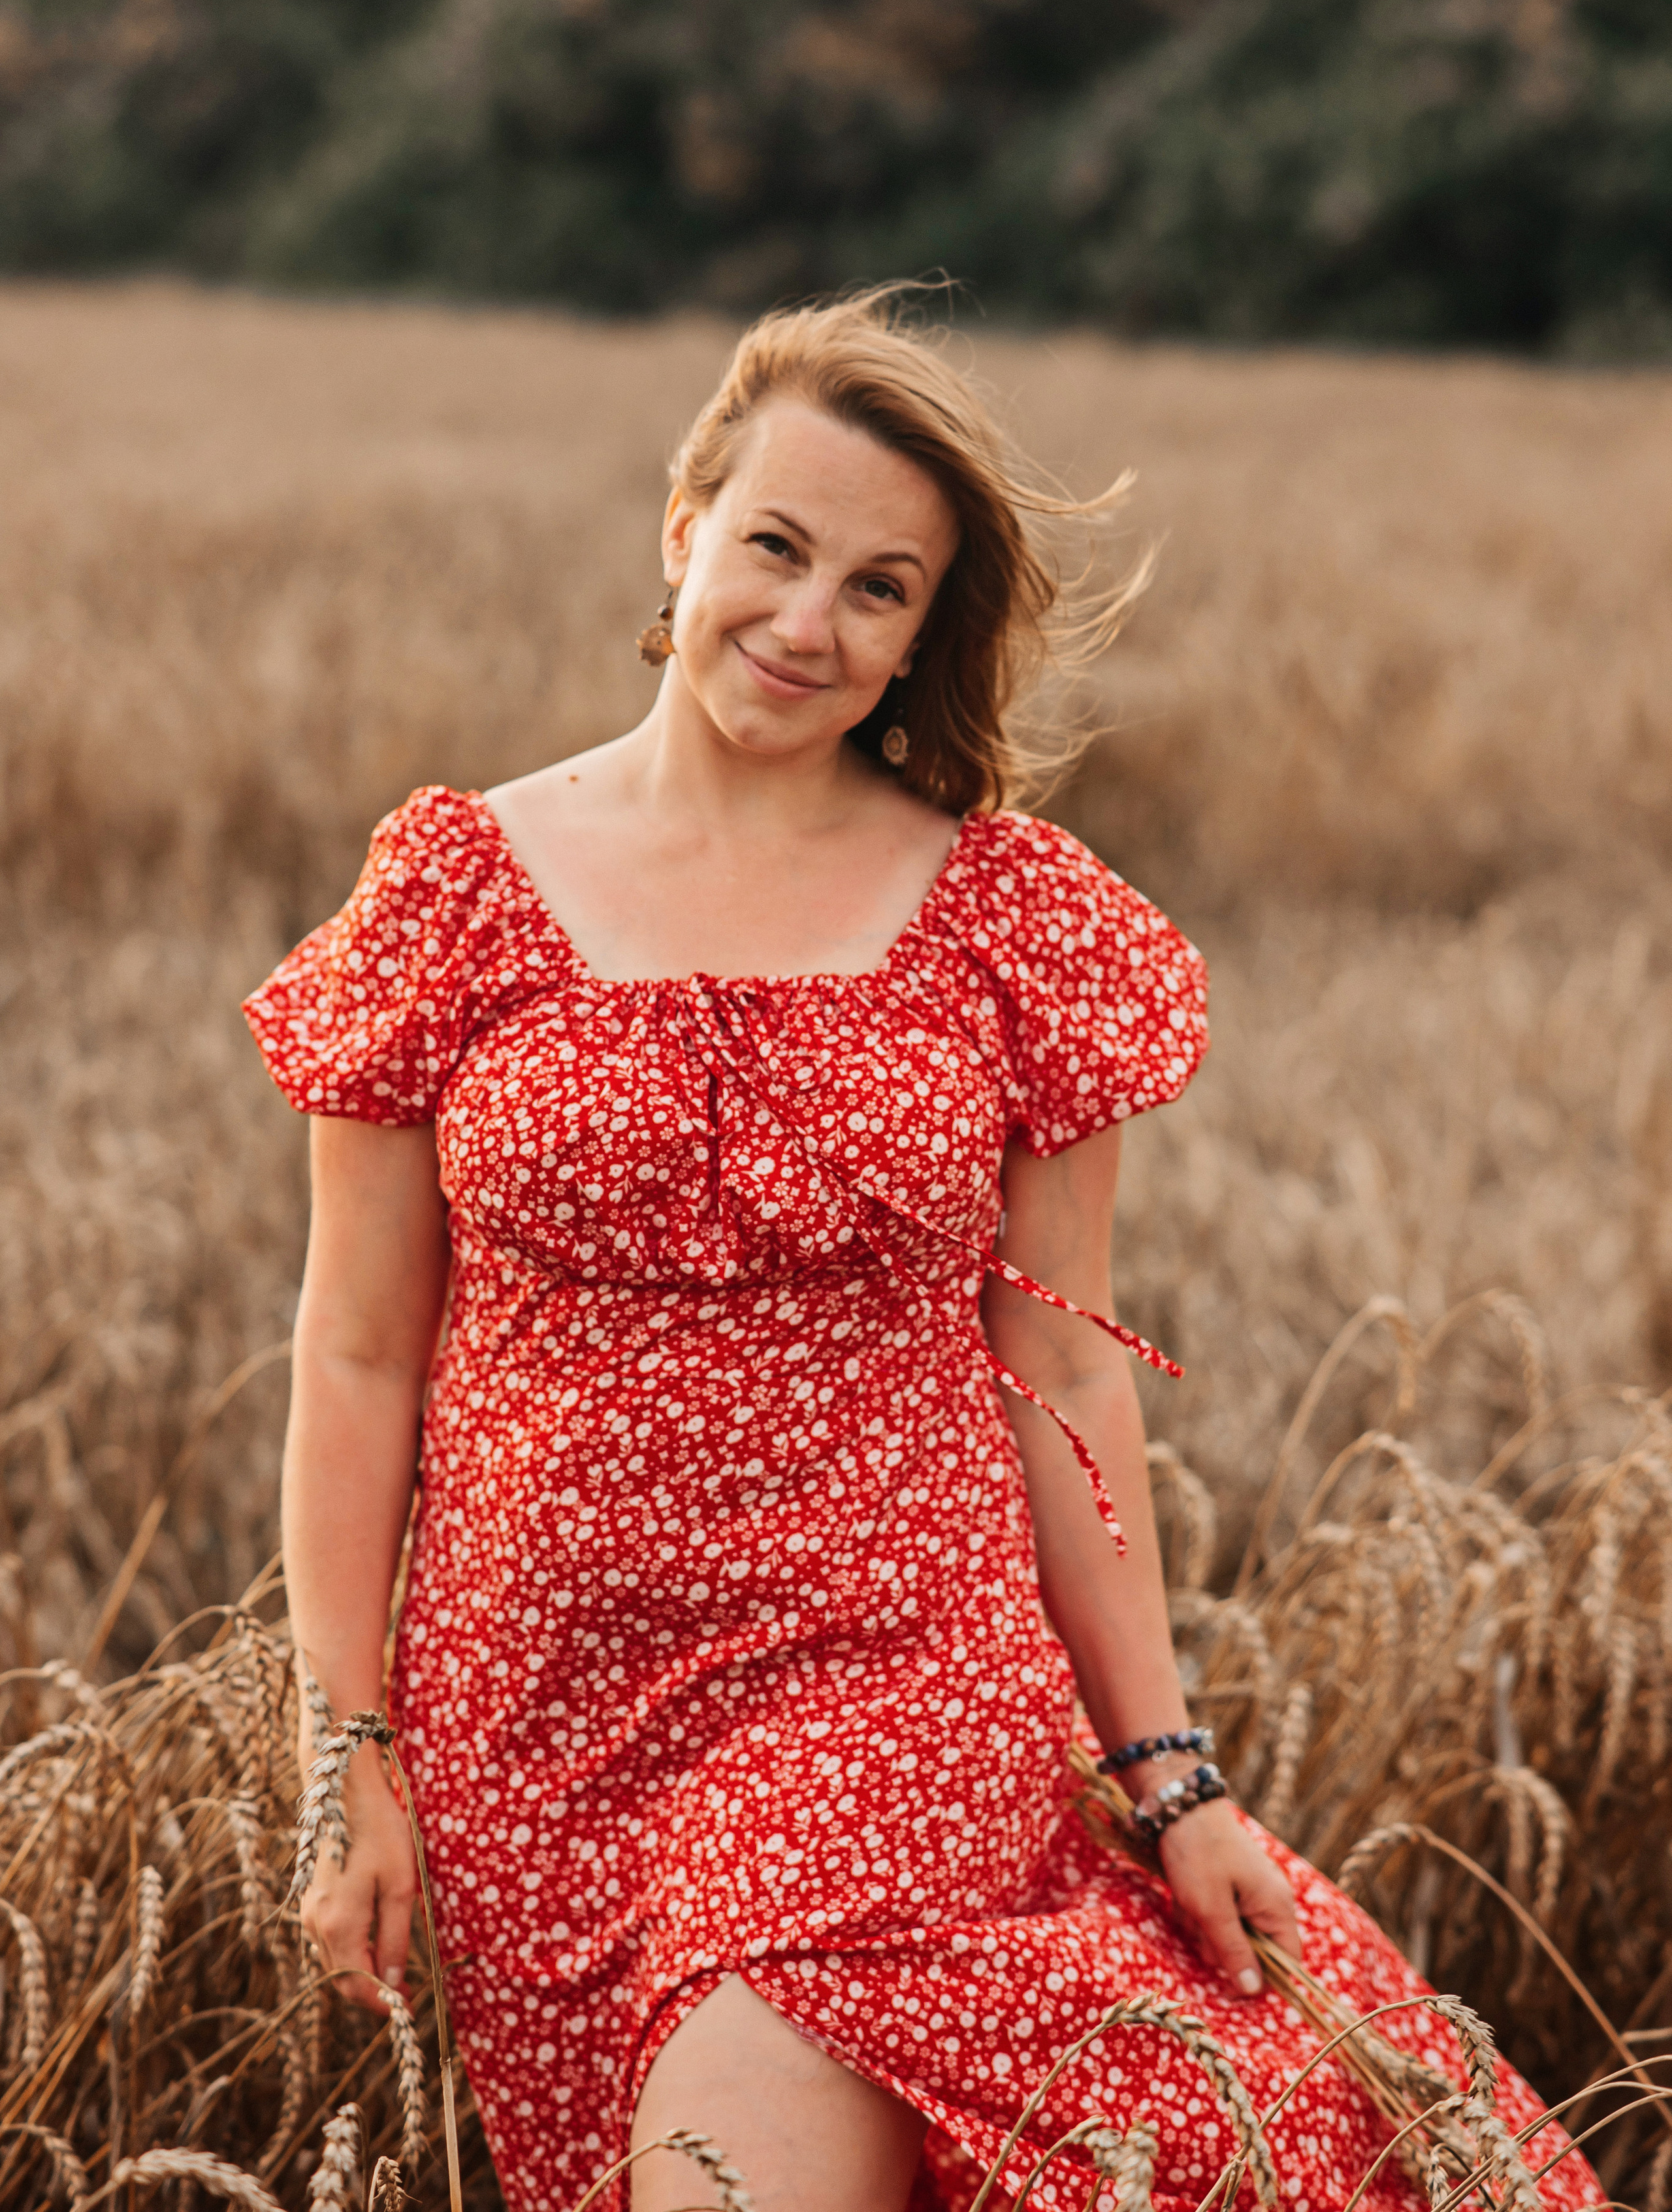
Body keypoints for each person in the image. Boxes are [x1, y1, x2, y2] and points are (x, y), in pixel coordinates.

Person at [245, 290, 1601, 2212]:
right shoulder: (455, 888)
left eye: (881, 591)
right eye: (777, 548)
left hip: (890, 1673)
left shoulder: (1007, 919)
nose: (811, 625)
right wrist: (345, 1746)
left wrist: (1175, 1772)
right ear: (682, 524)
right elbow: (360, 1349)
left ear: (919, 636)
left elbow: (1063, 1367)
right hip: (531, 1720)